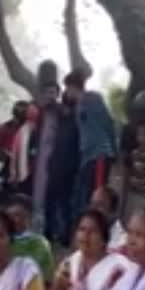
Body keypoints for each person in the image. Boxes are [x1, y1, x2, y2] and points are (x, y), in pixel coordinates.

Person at [63, 69, 117, 215]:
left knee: (98, 194)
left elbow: (108, 123)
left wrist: (114, 150)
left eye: (67, 88)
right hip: (86, 157)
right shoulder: (77, 107)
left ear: (73, 87)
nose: (66, 92)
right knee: (85, 196)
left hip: (99, 153)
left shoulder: (93, 99)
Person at [45, 92, 80, 246]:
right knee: (54, 203)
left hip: (65, 170)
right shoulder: (65, 122)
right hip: (58, 168)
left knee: (63, 204)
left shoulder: (72, 124)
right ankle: (51, 233)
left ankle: (63, 235)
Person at [30, 82, 62, 232]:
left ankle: (49, 229)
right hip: (40, 158)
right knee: (38, 193)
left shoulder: (61, 113)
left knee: (51, 196)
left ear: (57, 95)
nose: (50, 95)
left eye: (53, 92)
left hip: (55, 159)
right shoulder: (40, 112)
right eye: (47, 92)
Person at [6, 194, 55, 284]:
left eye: (17, 215)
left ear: (28, 217)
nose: (12, 220)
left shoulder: (39, 243)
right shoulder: (1, 240)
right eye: (9, 216)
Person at [90, 186, 126, 251]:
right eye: (92, 204)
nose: (93, 209)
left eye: (100, 205)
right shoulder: (87, 234)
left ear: (113, 210)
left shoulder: (122, 243)